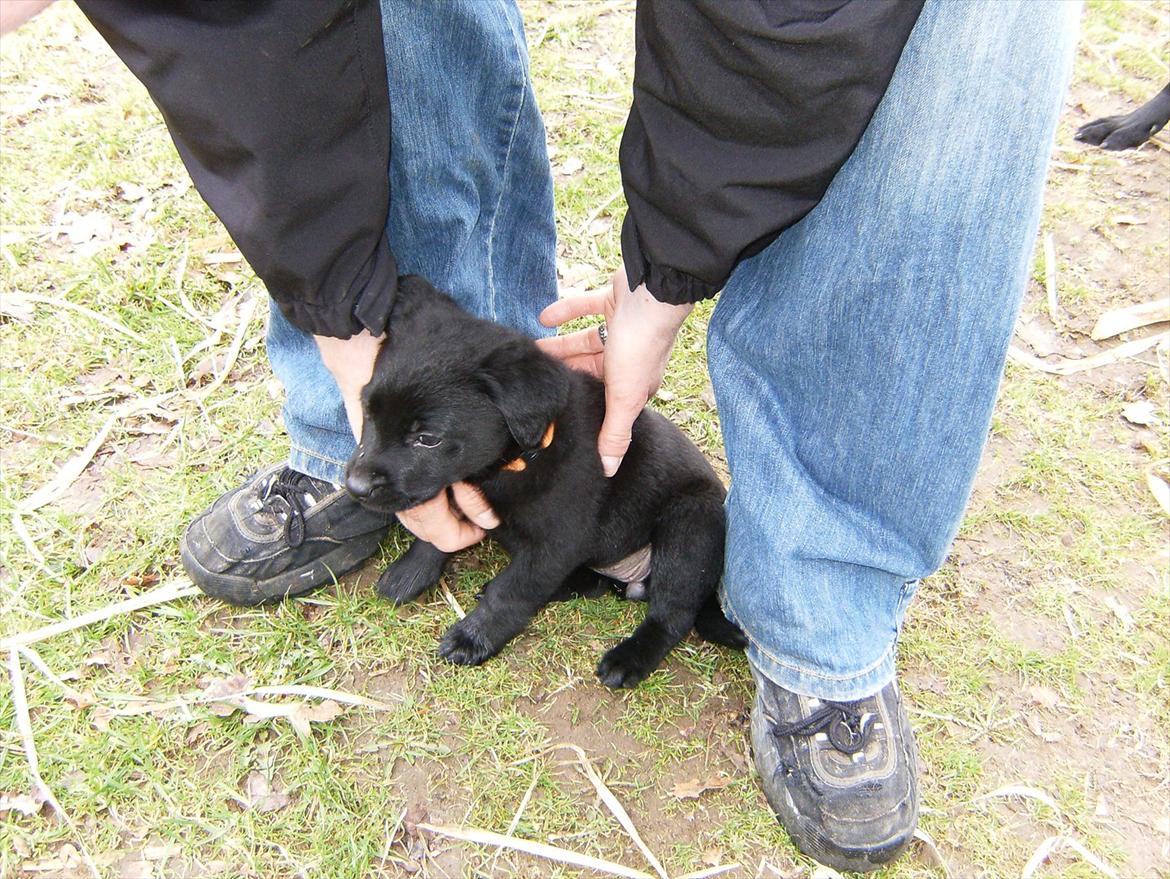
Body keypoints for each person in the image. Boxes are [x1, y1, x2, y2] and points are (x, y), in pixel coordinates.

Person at [5, 0, 1080, 871]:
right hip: (470, 383)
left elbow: (785, 28)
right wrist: (343, 309)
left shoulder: (569, 446)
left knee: (948, 54)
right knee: (374, 54)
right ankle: (394, 467)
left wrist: (667, 272)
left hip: (653, 502)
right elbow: (241, 52)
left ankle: (816, 610)